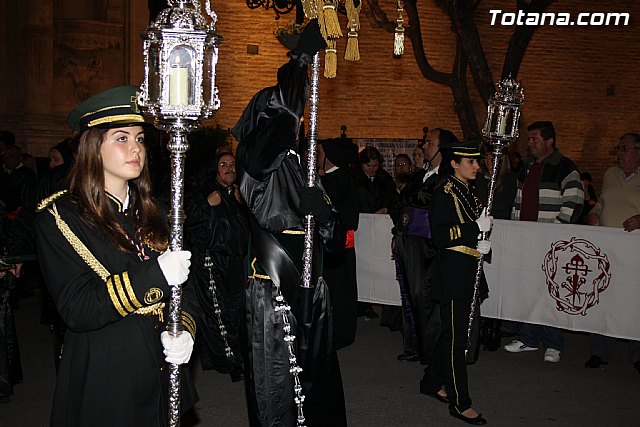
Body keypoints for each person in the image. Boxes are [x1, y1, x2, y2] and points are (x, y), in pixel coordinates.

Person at [34, 85, 198, 426]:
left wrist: (185, 330)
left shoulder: (158, 213)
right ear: (92, 148)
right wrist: (156, 275)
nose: (135, 148)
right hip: (106, 373)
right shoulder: (61, 217)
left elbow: (186, 291)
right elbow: (78, 307)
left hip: (160, 368)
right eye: (121, 139)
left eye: (139, 138)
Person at [232, 19, 347, 426]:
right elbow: (281, 118)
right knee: (280, 382)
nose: (298, 123)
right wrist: (299, 61)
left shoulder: (302, 165)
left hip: (313, 285)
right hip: (273, 285)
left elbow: (336, 244)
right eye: (290, 116)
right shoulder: (255, 160)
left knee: (317, 378)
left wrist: (325, 214)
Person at [421, 139, 491, 425]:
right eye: (470, 162)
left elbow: (474, 225)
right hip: (452, 272)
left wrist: (482, 241)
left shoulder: (468, 191)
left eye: (477, 161)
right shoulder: (444, 193)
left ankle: (430, 381)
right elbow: (440, 236)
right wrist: (475, 228)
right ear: (454, 163)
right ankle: (460, 402)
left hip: (468, 268)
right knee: (456, 339)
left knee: (453, 333)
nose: (476, 166)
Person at [504, 120, 584, 363]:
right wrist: (515, 228)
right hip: (526, 239)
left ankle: (553, 343)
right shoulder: (526, 166)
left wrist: (555, 234)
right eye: (528, 139)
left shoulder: (564, 166)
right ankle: (528, 338)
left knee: (550, 292)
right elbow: (518, 200)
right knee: (530, 291)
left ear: (549, 141)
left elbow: (574, 201)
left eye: (534, 138)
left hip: (550, 242)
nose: (529, 143)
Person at [390, 128, 458, 364]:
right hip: (409, 243)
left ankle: (430, 349)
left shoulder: (448, 178)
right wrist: (397, 233)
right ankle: (414, 345)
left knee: (424, 295)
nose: (424, 145)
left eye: (429, 142)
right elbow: (400, 203)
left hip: (429, 248)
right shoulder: (421, 175)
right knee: (409, 292)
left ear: (442, 147)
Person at [185, 151, 249, 382]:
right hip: (212, 262)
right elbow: (185, 222)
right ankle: (230, 361)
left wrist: (245, 204)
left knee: (238, 308)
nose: (229, 168)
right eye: (223, 164)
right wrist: (206, 204)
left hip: (238, 261)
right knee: (219, 313)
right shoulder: (204, 193)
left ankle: (239, 355)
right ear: (216, 169)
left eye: (232, 164)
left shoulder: (242, 193)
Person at [585, 133, 640, 374]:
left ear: (639, 152)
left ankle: (637, 354)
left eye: (625, 149)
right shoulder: (609, 174)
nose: (619, 153)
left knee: (634, 301)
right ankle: (599, 351)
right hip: (606, 249)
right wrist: (594, 213)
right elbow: (602, 202)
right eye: (618, 148)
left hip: (634, 250)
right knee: (602, 296)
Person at [317, 138, 360, 349]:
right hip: (327, 244)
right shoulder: (326, 178)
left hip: (339, 243)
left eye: (319, 151)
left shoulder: (342, 178)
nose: (314, 154)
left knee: (341, 289)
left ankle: (341, 333)